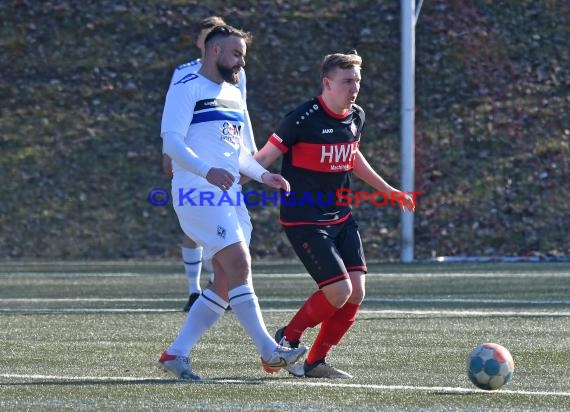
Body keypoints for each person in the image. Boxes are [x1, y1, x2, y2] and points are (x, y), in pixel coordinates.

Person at [158, 24, 307, 380]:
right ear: (214, 52)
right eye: (236, 53)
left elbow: (238, 152)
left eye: (243, 54)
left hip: (228, 194)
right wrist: (206, 171)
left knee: (225, 280)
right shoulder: (186, 86)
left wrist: (262, 175)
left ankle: (175, 354)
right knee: (239, 263)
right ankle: (270, 352)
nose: (242, 61)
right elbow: (172, 144)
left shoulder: (233, 91)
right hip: (197, 190)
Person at [254, 51, 415, 379]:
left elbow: (352, 155)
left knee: (356, 291)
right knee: (338, 291)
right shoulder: (301, 119)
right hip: (304, 219)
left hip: (341, 216)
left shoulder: (356, 115)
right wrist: (229, 182)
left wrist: (389, 190)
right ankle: (287, 337)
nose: (354, 87)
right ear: (327, 83)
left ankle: (316, 362)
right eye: (347, 81)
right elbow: (264, 157)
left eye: (357, 80)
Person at [163, 16, 258, 312]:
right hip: (197, 166)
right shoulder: (185, 76)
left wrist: (254, 159)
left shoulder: (234, 76)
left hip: (227, 155)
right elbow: (174, 127)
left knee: (233, 254)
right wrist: (170, 153)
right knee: (208, 237)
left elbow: (239, 113)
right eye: (205, 38)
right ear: (204, 45)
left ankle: (180, 348)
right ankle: (195, 288)